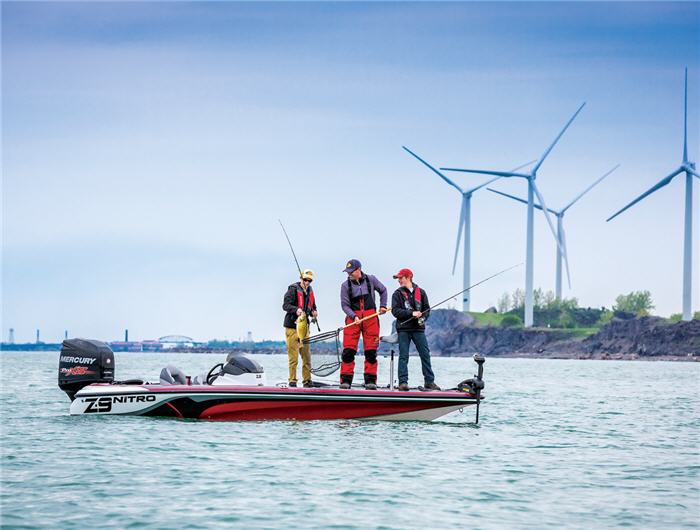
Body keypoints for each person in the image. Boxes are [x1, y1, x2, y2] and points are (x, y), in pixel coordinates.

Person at [339, 259, 388, 390]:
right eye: (347, 272)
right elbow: (344, 305)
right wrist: (353, 316)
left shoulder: (371, 280)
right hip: (352, 319)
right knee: (348, 352)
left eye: (351, 271)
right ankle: (345, 380)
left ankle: (370, 380)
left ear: (358, 270)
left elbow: (383, 290)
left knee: (371, 351)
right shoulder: (345, 286)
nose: (348, 274)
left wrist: (383, 306)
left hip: (371, 319)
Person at [390, 268, 440, 391]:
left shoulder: (421, 292)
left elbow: (427, 309)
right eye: (398, 278)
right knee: (404, 356)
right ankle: (403, 382)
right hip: (403, 330)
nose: (399, 281)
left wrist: (422, 318)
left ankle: (429, 382)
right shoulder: (396, 294)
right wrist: (411, 313)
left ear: (409, 277)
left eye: (401, 278)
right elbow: (395, 311)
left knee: (425, 354)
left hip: (419, 330)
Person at [282, 269, 318, 388]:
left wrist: (314, 312)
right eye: (305, 279)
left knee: (307, 357)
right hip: (292, 328)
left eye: (309, 280)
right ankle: (292, 381)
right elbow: (285, 305)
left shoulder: (310, 291)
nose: (307, 282)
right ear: (301, 278)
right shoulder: (292, 289)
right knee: (293, 358)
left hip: (304, 328)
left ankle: (307, 381)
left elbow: (313, 306)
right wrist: (296, 310)